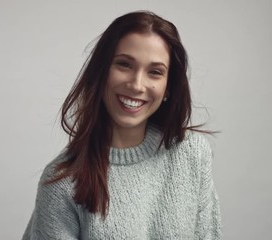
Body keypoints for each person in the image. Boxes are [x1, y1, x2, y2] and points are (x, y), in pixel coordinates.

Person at [22, 10, 222, 239]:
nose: (137, 85)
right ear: (102, 72)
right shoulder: (61, 182)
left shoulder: (192, 154)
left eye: (155, 72)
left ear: (168, 88)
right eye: (124, 65)